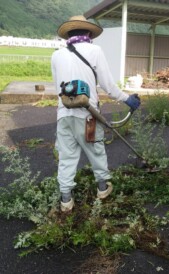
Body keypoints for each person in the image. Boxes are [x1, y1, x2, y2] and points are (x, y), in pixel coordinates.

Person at [51, 15, 140, 212]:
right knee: (95, 152)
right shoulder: (95, 50)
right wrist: (128, 100)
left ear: (69, 34)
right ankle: (102, 189)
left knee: (66, 157)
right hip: (88, 115)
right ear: (89, 33)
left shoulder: (56, 55)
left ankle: (66, 200)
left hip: (64, 115)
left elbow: (57, 87)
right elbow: (108, 85)